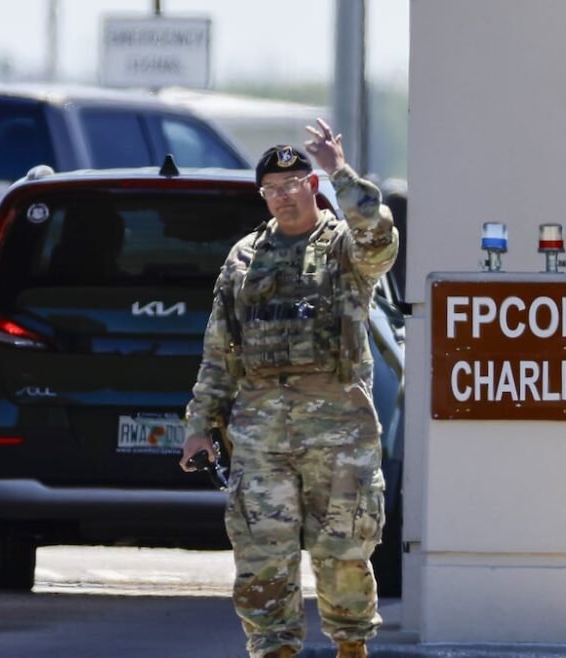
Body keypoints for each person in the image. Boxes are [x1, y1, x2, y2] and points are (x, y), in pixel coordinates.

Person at [180, 119, 398, 658]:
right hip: (260, 435)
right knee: (262, 558)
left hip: (339, 430)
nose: (282, 197)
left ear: (312, 186)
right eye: (271, 190)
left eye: (292, 186)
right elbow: (219, 350)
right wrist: (199, 427)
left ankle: (351, 648)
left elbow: (379, 235)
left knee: (344, 554)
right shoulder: (244, 258)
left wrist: (339, 170)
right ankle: (273, 651)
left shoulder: (345, 250)